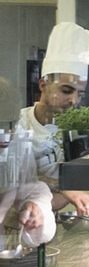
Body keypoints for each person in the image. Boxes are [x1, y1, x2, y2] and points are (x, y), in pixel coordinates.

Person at [16, 22, 89, 218]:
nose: (74, 101)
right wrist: (68, 188)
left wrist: (71, 192)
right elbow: (17, 189)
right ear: (43, 84)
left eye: (80, 94)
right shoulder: (18, 125)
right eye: (66, 91)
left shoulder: (78, 130)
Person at [1, 76, 57, 247]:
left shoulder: (17, 140)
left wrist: (34, 207)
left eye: (12, 124)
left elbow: (32, 188)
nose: (7, 134)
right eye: (1, 124)